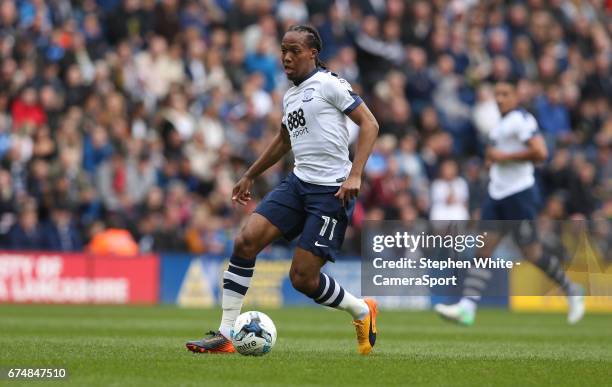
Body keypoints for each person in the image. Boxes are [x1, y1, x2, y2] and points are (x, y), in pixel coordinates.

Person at [186, 25, 380, 355]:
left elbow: (370, 124)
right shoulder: (290, 95)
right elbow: (284, 140)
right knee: (246, 241)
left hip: (331, 192)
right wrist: (249, 174)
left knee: (302, 278)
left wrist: (355, 174)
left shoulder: (330, 85)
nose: (286, 57)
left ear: (312, 54)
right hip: (297, 184)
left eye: (293, 51)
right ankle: (226, 334)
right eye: (283, 51)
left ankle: (362, 310)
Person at [434, 78, 585, 326]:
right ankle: (467, 308)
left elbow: (541, 153)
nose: (500, 98)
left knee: (532, 253)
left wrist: (503, 157)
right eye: (498, 94)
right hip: (497, 193)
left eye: (505, 94)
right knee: (483, 250)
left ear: (516, 96)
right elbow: (497, 156)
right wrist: (492, 162)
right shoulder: (500, 125)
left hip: (519, 195)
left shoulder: (522, 120)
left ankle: (571, 289)